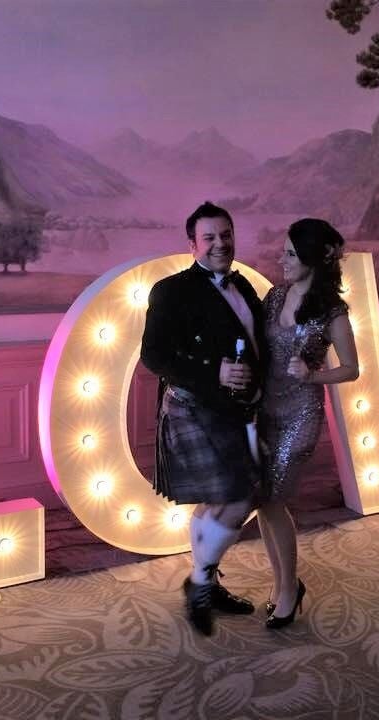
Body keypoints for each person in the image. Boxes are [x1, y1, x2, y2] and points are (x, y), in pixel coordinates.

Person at [140, 201, 268, 636]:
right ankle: (199, 582)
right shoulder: (170, 290)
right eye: (210, 237)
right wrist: (213, 370)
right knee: (239, 494)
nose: (220, 244)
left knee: (221, 497)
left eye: (226, 234)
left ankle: (205, 582)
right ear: (191, 244)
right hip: (194, 405)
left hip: (238, 408)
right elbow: (153, 355)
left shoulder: (245, 285)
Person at [257, 217, 359, 629]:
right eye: (283, 250)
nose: (281, 259)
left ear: (314, 260)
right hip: (264, 411)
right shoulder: (274, 296)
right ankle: (284, 583)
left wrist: (313, 375)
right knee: (264, 501)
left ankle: (288, 588)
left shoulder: (332, 311)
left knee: (273, 499)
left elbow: (351, 369)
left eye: (291, 254)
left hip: (300, 415)